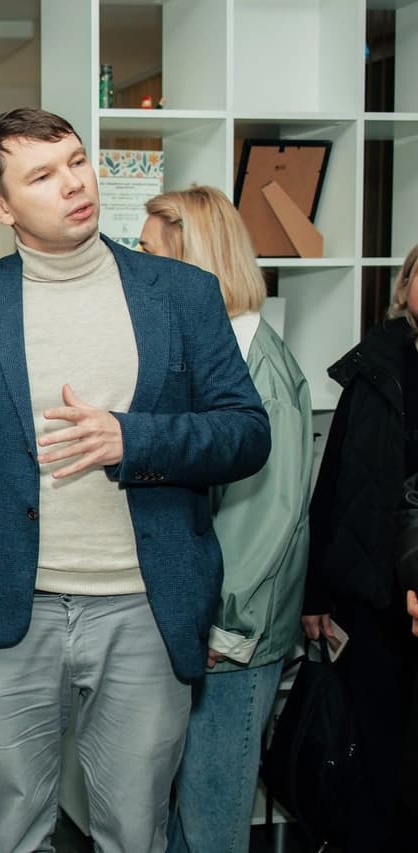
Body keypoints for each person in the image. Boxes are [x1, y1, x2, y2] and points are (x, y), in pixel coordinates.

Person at [0, 108, 271, 853]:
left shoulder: (182, 292)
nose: (74, 184)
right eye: (42, 175)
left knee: (133, 829)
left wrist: (133, 438)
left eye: (76, 161)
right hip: (12, 607)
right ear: (1, 207)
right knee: (11, 826)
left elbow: (246, 430)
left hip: (142, 604)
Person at [138, 186, 314, 853]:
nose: (138, 269)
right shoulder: (214, 354)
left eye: (149, 253)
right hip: (205, 621)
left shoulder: (258, 370)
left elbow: (264, 519)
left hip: (232, 637)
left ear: (192, 262)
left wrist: (223, 625)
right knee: (188, 817)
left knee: (212, 823)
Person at [302, 242, 418, 851]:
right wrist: (315, 593)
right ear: (406, 285)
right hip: (372, 599)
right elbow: (334, 482)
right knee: (373, 754)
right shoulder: (373, 365)